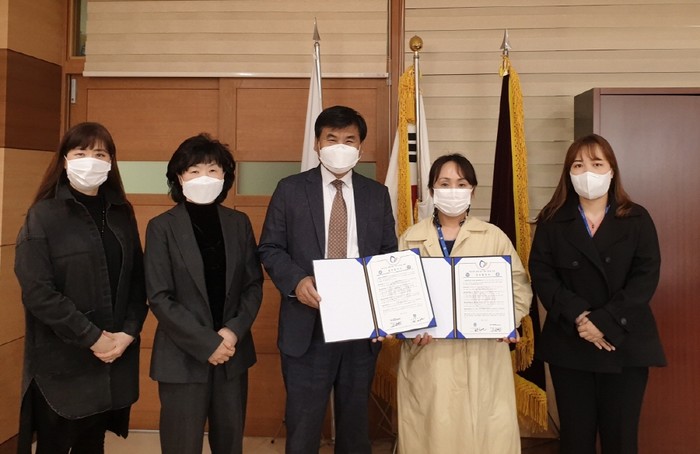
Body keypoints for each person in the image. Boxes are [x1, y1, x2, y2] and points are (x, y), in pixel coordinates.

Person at [258, 105, 397, 454]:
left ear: (360, 147)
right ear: (317, 144)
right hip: (307, 325)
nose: (340, 147)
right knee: (303, 428)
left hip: (360, 329)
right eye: (331, 139)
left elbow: (387, 255)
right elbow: (270, 248)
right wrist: (297, 281)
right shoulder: (290, 190)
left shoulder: (376, 194)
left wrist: (385, 312)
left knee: (355, 429)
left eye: (349, 140)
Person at [14, 122, 148, 454]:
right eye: (80, 153)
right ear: (64, 160)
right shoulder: (43, 215)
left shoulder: (121, 213)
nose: (90, 161)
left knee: (93, 444)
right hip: (62, 362)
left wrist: (128, 332)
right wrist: (92, 337)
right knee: (55, 444)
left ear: (111, 162)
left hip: (112, 357)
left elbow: (137, 280)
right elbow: (38, 291)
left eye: (100, 154)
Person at [529, 134, 665, 454]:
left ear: (612, 171)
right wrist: (580, 317)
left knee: (621, 439)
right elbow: (542, 274)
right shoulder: (552, 219)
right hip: (570, 341)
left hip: (624, 341)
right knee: (575, 440)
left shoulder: (637, 218)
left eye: (597, 164)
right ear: (569, 173)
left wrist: (604, 321)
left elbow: (645, 277)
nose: (587, 172)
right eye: (578, 165)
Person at [397, 153, 532, 454]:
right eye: (444, 183)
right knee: (433, 435)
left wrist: (506, 320)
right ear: (431, 190)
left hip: (482, 354)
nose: (453, 191)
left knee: (485, 435)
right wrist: (409, 327)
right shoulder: (411, 238)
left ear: (472, 190)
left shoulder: (493, 237)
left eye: (461, 184)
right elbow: (400, 294)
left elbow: (519, 288)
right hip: (430, 356)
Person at [144, 133, 263, 454]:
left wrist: (232, 332)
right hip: (181, 358)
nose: (204, 178)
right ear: (179, 177)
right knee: (181, 445)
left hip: (232, 355)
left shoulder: (239, 223)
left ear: (225, 177)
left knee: (230, 444)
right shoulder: (161, 227)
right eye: (194, 171)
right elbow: (159, 296)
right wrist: (208, 343)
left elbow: (253, 285)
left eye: (212, 170)